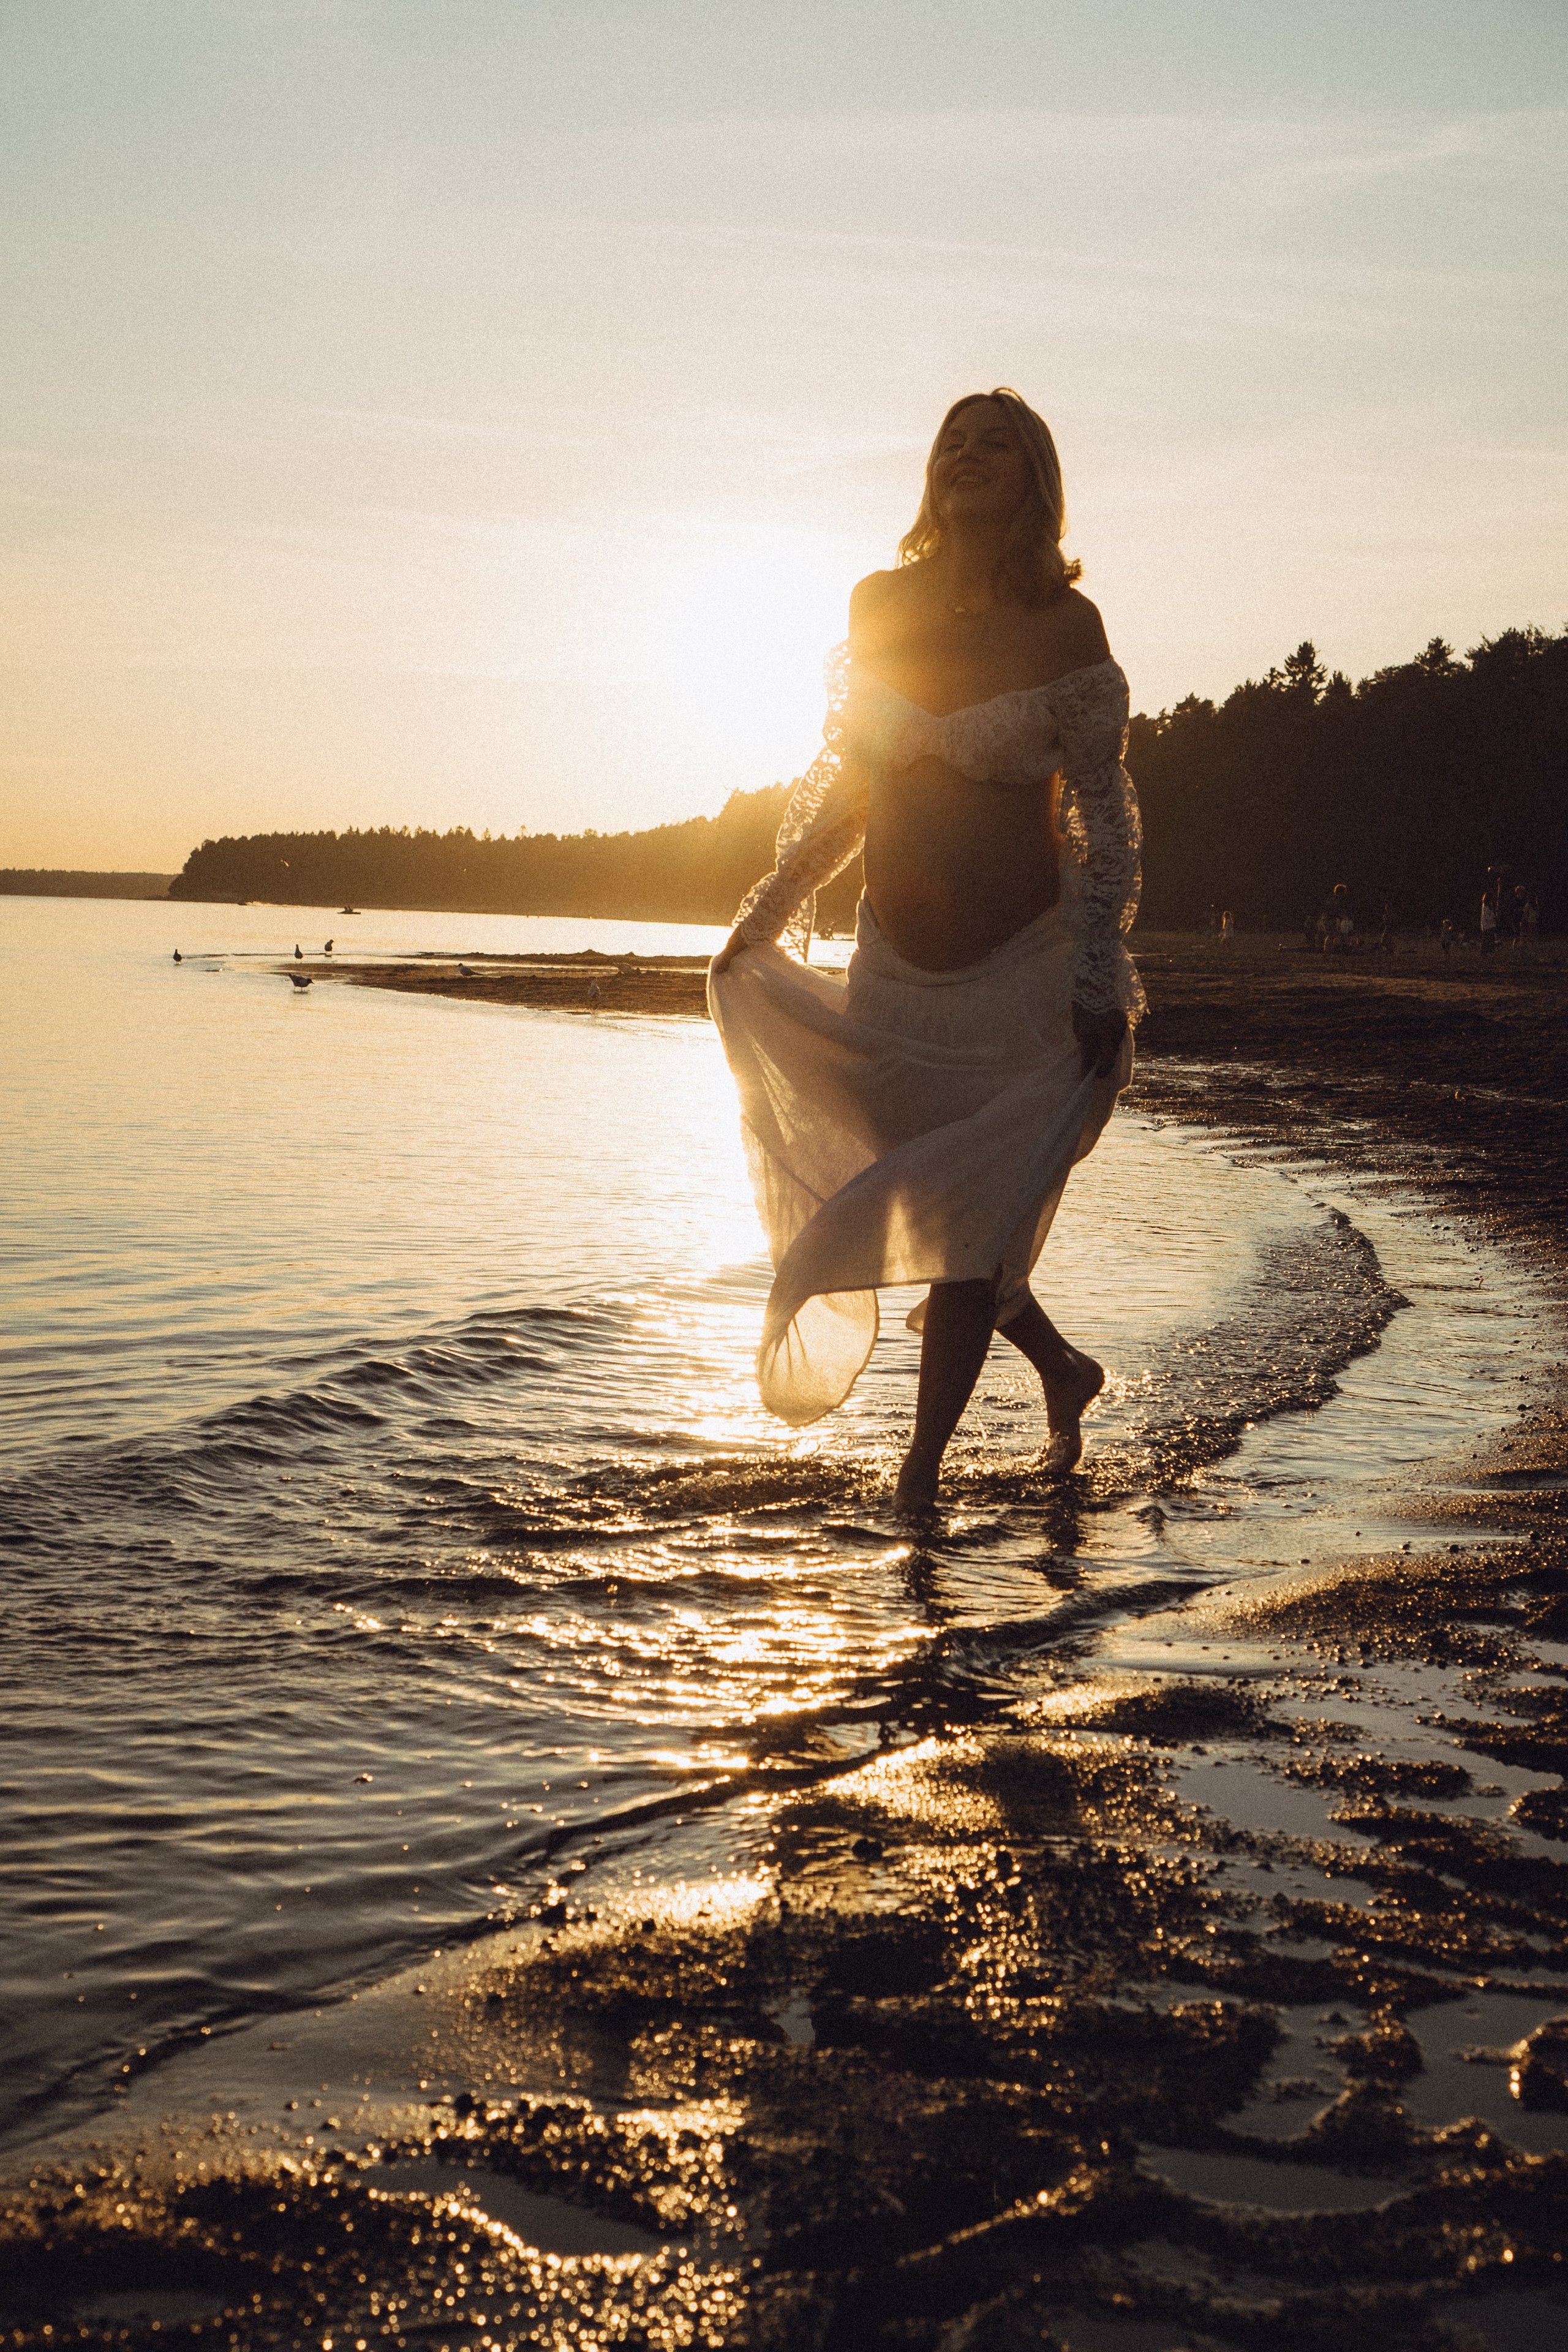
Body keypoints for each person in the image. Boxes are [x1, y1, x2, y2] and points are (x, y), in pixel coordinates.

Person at [709, 388, 1141, 1509]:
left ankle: (916, 1483)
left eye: (996, 443)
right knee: (937, 1208)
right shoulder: (878, 602)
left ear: (1036, 478)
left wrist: (1098, 978)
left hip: (1022, 979)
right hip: (892, 974)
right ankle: (1061, 1368)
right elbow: (850, 790)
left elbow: (1100, 811)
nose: (968, 454)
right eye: (953, 439)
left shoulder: (1066, 630)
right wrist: (764, 916)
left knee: (965, 1236)